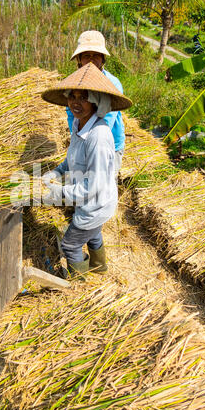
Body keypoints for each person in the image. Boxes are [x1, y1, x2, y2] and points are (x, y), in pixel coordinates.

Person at [41, 62, 132, 280]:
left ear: (97, 101)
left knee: (70, 245)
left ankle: (80, 287)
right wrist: (55, 173)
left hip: (96, 204)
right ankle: (99, 268)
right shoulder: (80, 124)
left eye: (84, 97)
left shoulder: (98, 137)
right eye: (72, 96)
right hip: (92, 202)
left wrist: (56, 194)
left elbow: (93, 187)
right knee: (94, 234)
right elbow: (72, 159)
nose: (76, 102)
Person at [68, 30, 125, 175]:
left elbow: (106, 121)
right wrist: (77, 141)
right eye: (87, 55)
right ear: (79, 59)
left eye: (96, 55)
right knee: (83, 184)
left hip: (108, 145)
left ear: (103, 58)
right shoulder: (73, 83)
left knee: (104, 184)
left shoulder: (112, 84)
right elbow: (71, 115)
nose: (91, 59)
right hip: (83, 142)